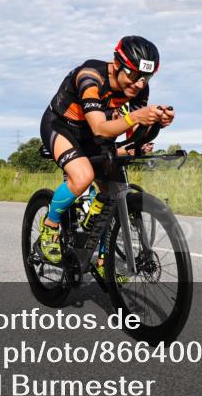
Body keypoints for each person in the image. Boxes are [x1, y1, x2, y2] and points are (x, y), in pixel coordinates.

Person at [37, 36, 175, 280]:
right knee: (82, 177)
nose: (139, 84)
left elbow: (129, 130)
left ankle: (104, 260)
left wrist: (155, 124)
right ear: (116, 63)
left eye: (146, 78)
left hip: (94, 135)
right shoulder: (90, 77)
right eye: (133, 75)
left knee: (116, 191)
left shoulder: (137, 87)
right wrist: (137, 117)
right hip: (62, 126)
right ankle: (50, 226)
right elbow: (101, 128)